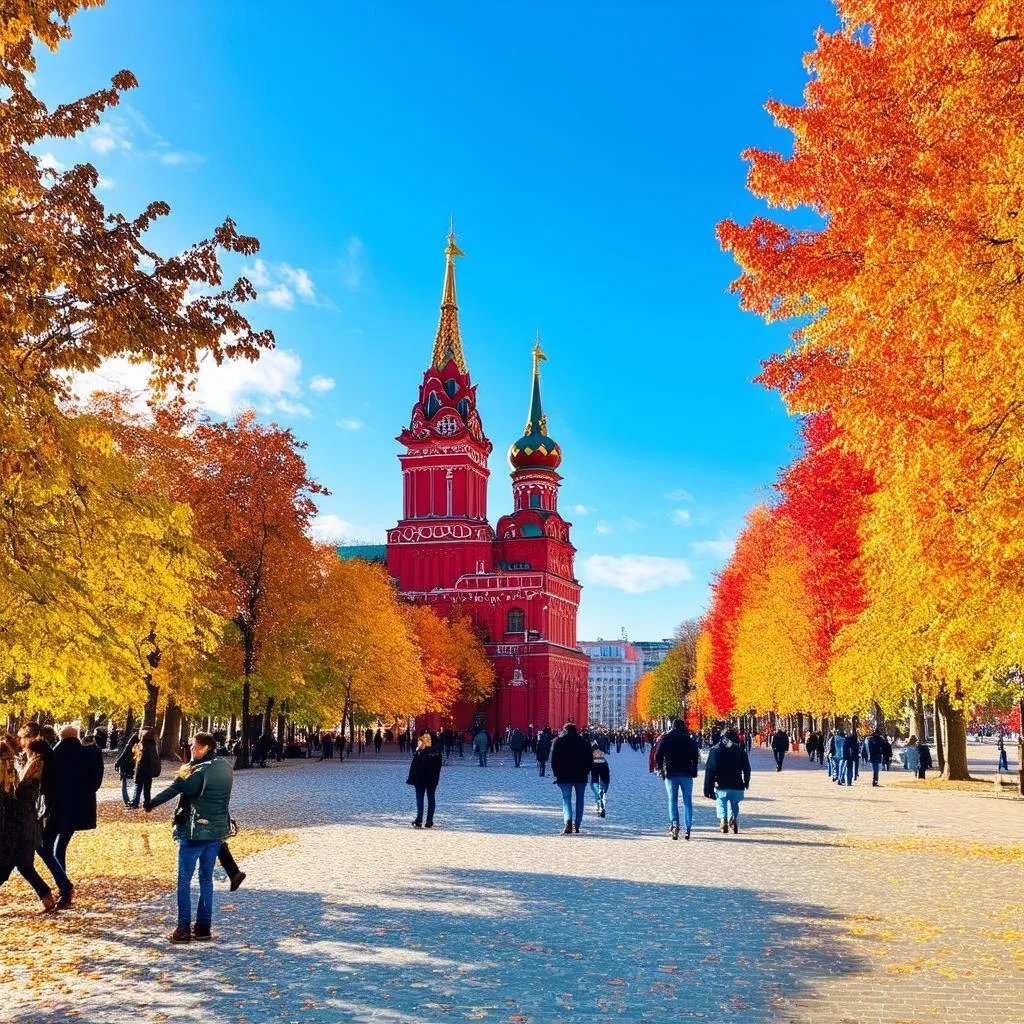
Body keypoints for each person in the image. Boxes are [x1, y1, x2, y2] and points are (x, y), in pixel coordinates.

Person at [145, 732, 234, 943]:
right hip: (215, 831)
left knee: (184, 880)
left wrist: (151, 803)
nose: (191, 750)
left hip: (194, 832)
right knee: (206, 879)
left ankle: (183, 928)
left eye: (194, 746)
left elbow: (177, 788)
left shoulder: (199, 770)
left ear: (205, 748)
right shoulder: (224, 767)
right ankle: (204, 926)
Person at [38, 726, 103, 910]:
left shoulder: (54, 755)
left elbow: (46, 786)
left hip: (57, 809)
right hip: (78, 810)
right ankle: (63, 885)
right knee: (60, 846)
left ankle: (64, 885)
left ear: (60, 736)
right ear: (77, 736)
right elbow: (96, 783)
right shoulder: (89, 754)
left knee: (44, 847)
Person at [0, 731, 57, 912]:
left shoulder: (19, 778)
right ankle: (47, 897)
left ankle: (48, 896)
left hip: (14, 828)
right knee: (23, 866)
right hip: (23, 826)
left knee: (6, 865)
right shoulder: (21, 775)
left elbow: (11, 801)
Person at [654, 719, 701, 841]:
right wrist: (694, 771)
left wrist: (660, 769)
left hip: (671, 773)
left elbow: (658, 754)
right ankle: (688, 827)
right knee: (687, 801)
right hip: (686, 773)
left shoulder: (666, 738)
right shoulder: (689, 739)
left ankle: (674, 824)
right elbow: (695, 755)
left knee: (672, 800)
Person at [703, 728, 751, 835]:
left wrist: (708, 787)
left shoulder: (716, 750)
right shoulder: (739, 750)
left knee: (721, 802)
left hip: (721, 784)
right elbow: (747, 768)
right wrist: (746, 781)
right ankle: (733, 817)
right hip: (737, 784)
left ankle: (723, 821)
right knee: (734, 802)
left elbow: (710, 770)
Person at [550, 723, 593, 835]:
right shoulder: (584, 742)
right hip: (581, 777)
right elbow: (590, 760)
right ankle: (577, 825)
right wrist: (587, 772)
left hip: (564, 776)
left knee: (566, 799)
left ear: (565, 731)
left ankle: (568, 823)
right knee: (580, 800)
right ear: (576, 731)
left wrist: (556, 774)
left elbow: (554, 760)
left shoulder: (558, 742)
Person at [406, 732, 442, 829]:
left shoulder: (421, 752)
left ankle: (419, 820)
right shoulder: (437, 751)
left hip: (420, 779)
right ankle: (429, 821)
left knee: (420, 799)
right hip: (433, 779)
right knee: (431, 799)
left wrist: (418, 752)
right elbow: (438, 766)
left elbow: (416, 767)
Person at [131, 728, 161, 809]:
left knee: (138, 787)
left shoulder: (141, 747)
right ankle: (147, 803)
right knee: (147, 788)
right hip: (149, 771)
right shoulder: (153, 747)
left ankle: (135, 803)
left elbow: (138, 759)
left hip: (141, 770)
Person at [590, 743, 610, 818]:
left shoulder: (592, 758)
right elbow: (607, 770)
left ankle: (599, 806)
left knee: (597, 793)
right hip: (605, 779)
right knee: (602, 793)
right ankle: (602, 807)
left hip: (595, 779)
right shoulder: (603, 758)